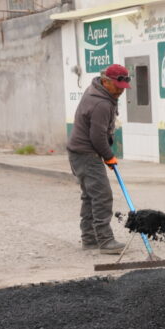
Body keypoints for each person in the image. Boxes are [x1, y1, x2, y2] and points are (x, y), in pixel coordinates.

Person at [66, 63, 131, 254]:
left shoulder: (97, 91)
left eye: (123, 88)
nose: (121, 91)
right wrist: (109, 157)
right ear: (105, 81)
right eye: (117, 87)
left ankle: (90, 238)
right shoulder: (101, 103)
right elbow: (97, 137)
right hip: (87, 154)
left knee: (90, 196)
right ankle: (105, 241)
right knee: (102, 196)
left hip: (78, 152)